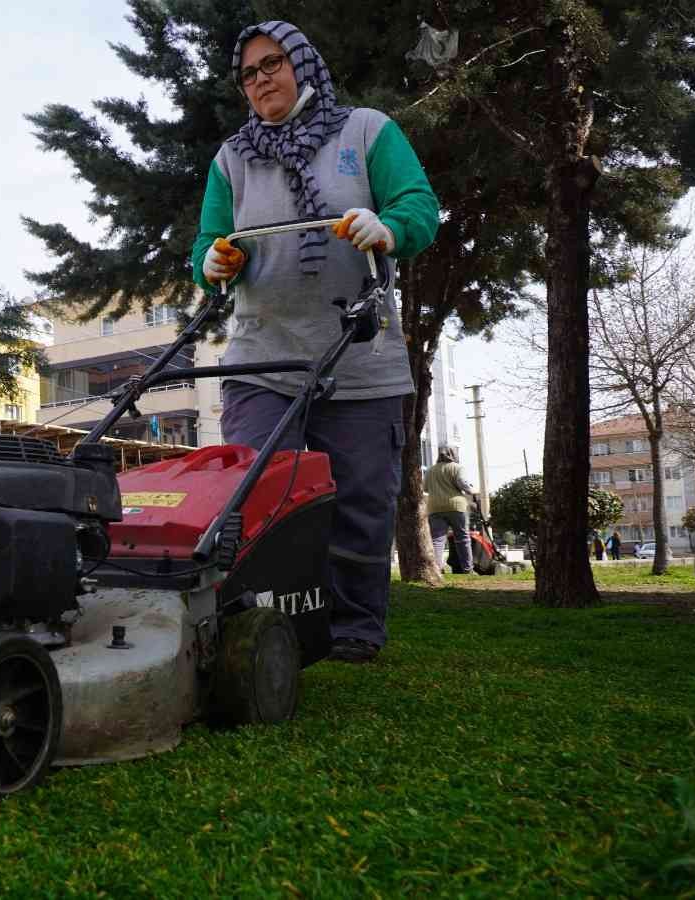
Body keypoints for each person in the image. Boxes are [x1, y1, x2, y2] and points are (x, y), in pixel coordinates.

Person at [192, 21, 440, 663]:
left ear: (302, 63)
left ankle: (355, 630)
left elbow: (419, 205)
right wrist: (213, 263)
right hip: (263, 358)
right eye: (248, 73)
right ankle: (257, 624)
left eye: (271, 63)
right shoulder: (232, 159)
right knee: (256, 492)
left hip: (360, 355)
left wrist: (386, 226)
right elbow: (208, 242)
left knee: (360, 498)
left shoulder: (367, 131)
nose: (260, 79)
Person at [424, 447, 475, 574]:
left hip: (434, 508)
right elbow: (462, 483)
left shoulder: (430, 471)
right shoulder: (457, 467)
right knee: (462, 538)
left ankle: (436, 569)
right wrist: (470, 490)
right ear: (453, 455)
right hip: (456, 506)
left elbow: (425, 488)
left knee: (437, 540)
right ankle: (467, 569)